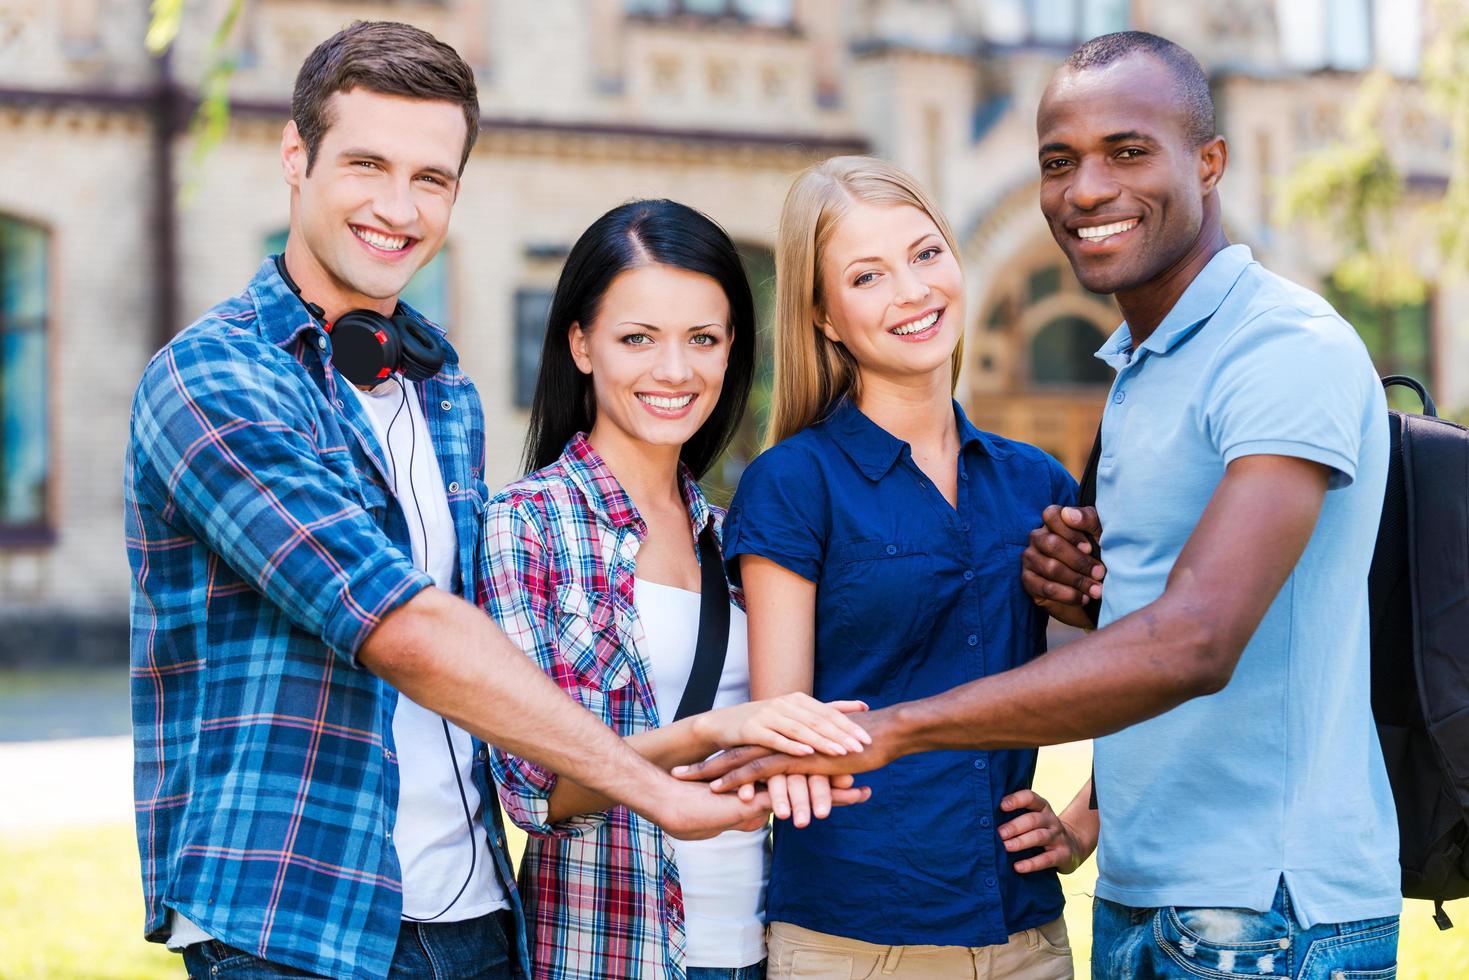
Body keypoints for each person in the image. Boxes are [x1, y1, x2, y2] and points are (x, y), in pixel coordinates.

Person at [678, 32, 1401, 980]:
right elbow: (1135, 640)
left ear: (1211, 162)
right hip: (1122, 901)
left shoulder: (1281, 347)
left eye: (1128, 151)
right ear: (822, 313)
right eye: (1059, 163)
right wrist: (1088, 624)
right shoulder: (1138, 377)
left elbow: (1192, 641)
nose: (1088, 189)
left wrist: (899, 727)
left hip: (1266, 905)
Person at [125, 24, 771, 980]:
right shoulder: (212, 379)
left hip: (475, 917)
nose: (399, 206)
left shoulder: (441, 390)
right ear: (295, 160)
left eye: (431, 178)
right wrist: (650, 785)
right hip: (294, 922)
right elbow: (403, 627)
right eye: (367, 164)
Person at [480, 199, 872, 980]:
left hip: (769, 950)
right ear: (580, 344)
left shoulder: (741, 538)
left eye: (702, 339)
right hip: (609, 954)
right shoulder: (526, 527)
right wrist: (711, 733)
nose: (674, 371)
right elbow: (536, 791)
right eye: (637, 338)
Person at [718, 156, 1078, 979]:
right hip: (855, 942)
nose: (911, 292)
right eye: (867, 276)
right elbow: (786, 725)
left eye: (924, 254)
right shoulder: (793, 484)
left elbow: (1130, 665)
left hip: (1026, 939)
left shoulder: (1036, 484)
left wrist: (1087, 819)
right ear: (825, 318)